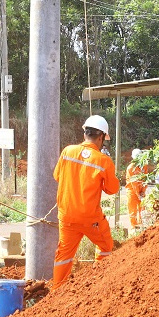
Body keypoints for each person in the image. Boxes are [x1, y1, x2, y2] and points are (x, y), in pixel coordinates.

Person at [52, 114, 120, 289]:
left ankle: (57, 292)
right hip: (91, 219)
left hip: (66, 216)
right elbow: (112, 189)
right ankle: (98, 281)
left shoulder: (68, 152)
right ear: (102, 137)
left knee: (64, 256)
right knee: (106, 246)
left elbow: (57, 176)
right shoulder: (104, 161)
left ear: (85, 134)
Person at [125, 148, 150, 230]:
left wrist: (143, 191)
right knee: (132, 209)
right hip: (132, 190)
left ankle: (142, 225)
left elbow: (146, 179)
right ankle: (134, 226)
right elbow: (134, 183)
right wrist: (138, 194)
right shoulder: (130, 168)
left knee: (142, 208)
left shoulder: (144, 166)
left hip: (141, 190)